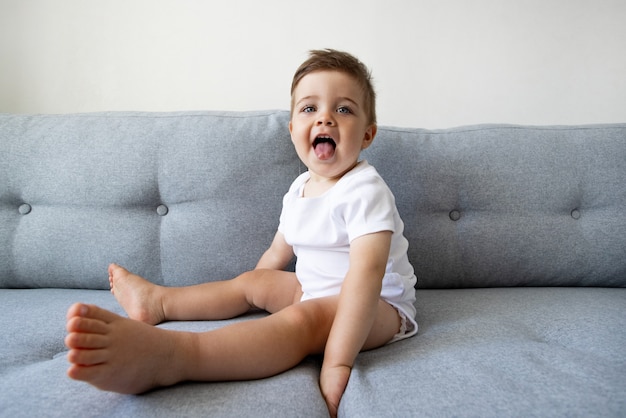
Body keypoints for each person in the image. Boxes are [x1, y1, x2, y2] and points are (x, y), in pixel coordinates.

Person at [65, 49, 417, 417]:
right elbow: (277, 254)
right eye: (309, 109)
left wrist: (337, 363)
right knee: (254, 281)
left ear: (367, 135)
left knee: (303, 321)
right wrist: (254, 289)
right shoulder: (298, 189)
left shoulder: (365, 189)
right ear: (293, 129)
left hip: (378, 306)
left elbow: (365, 277)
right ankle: (159, 302)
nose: (325, 118)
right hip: (313, 290)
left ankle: (176, 356)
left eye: (343, 110)